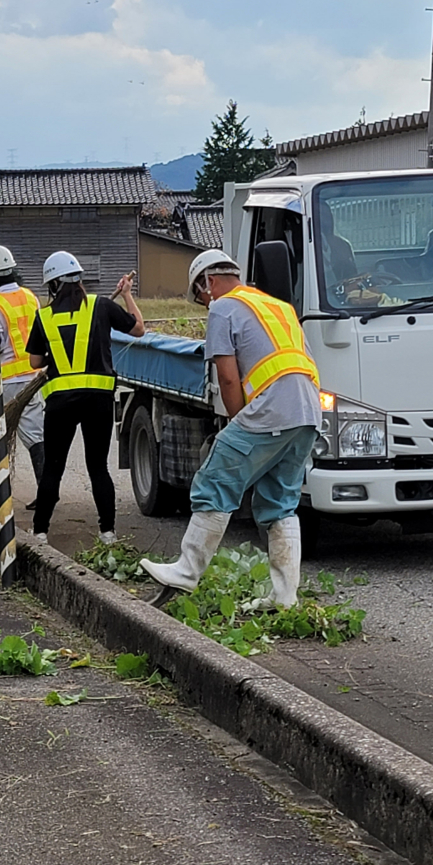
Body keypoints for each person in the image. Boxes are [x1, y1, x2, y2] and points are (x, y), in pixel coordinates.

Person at [140, 249, 321, 609]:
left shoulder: (224, 307)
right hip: (307, 411)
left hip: (269, 411)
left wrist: (237, 420)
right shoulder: (278, 306)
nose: (204, 301)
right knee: (280, 503)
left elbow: (227, 376)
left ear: (208, 281)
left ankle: (187, 571)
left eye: (200, 293)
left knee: (214, 480)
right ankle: (284, 597)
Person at [25, 251, 144, 546]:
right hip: (98, 401)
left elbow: (35, 362)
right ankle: (107, 532)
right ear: (80, 280)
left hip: (60, 404)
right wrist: (127, 295)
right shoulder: (101, 306)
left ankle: (40, 532)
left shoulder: (44, 317)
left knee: (54, 467)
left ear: (52, 285)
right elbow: (138, 329)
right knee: (97, 467)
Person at [0, 245, 46, 508]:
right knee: (36, 436)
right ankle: (45, 491)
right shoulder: (31, 298)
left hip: (3, 381)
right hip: (32, 379)